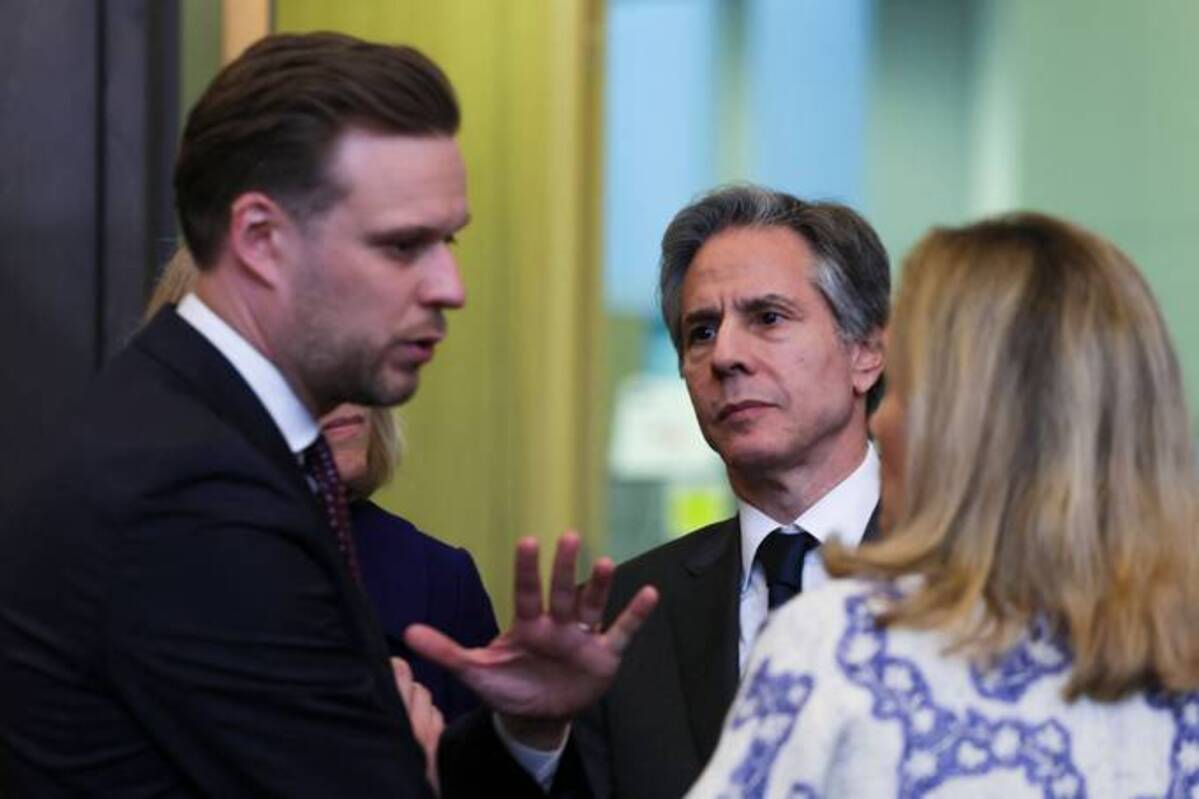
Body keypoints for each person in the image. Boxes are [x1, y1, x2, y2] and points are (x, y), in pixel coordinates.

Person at [0, 32, 656, 797]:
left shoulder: (206, 437)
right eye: (403, 245)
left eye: (447, 240)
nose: (450, 286)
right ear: (261, 239)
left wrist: (520, 730)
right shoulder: (192, 493)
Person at [689, 212, 1199, 797]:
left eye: (904, 387)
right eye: (701, 330)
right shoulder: (1179, 663)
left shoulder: (840, 646)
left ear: (973, 427)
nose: (880, 419)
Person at [556, 185, 889, 798]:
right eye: (702, 331)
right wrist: (528, 734)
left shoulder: (979, 577)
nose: (726, 356)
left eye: (768, 318)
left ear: (865, 352)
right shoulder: (620, 618)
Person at [147, 247, 499, 722]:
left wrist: (533, 734)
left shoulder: (438, 581)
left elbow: (495, 762)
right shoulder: (138, 570)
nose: (345, 381)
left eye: (359, 343)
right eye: (304, 348)